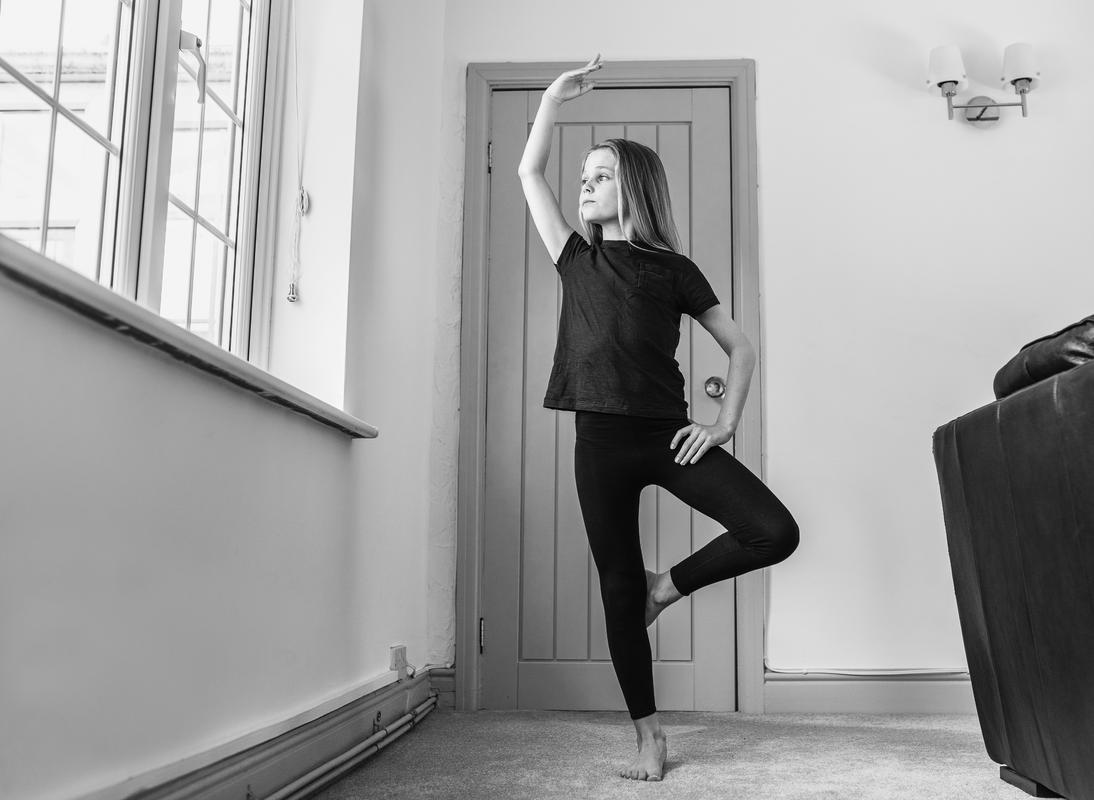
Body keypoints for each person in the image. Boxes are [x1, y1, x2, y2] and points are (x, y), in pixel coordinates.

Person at [516, 54, 800, 782]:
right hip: (599, 443)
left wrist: (723, 423)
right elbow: (528, 172)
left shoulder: (674, 270)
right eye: (583, 175)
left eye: (601, 175)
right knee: (617, 587)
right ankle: (648, 737)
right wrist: (552, 99)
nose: (584, 184)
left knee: (773, 531)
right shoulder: (574, 258)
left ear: (634, 187)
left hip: (665, 437)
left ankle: (664, 587)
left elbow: (740, 347)